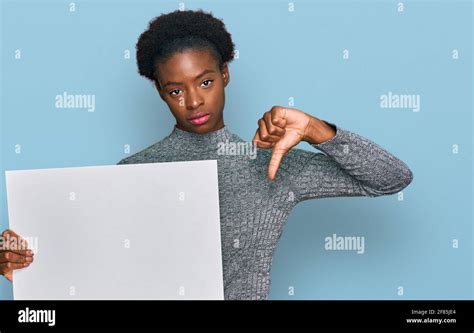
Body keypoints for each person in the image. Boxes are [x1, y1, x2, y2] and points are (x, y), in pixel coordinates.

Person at [1, 9, 413, 300]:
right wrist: (20, 259)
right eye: (175, 90)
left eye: (206, 81)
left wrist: (316, 129)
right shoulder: (133, 172)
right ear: (161, 93)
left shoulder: (271, 164)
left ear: (225, 75)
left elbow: (392, 179)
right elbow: (93, 273)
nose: (193, 101)